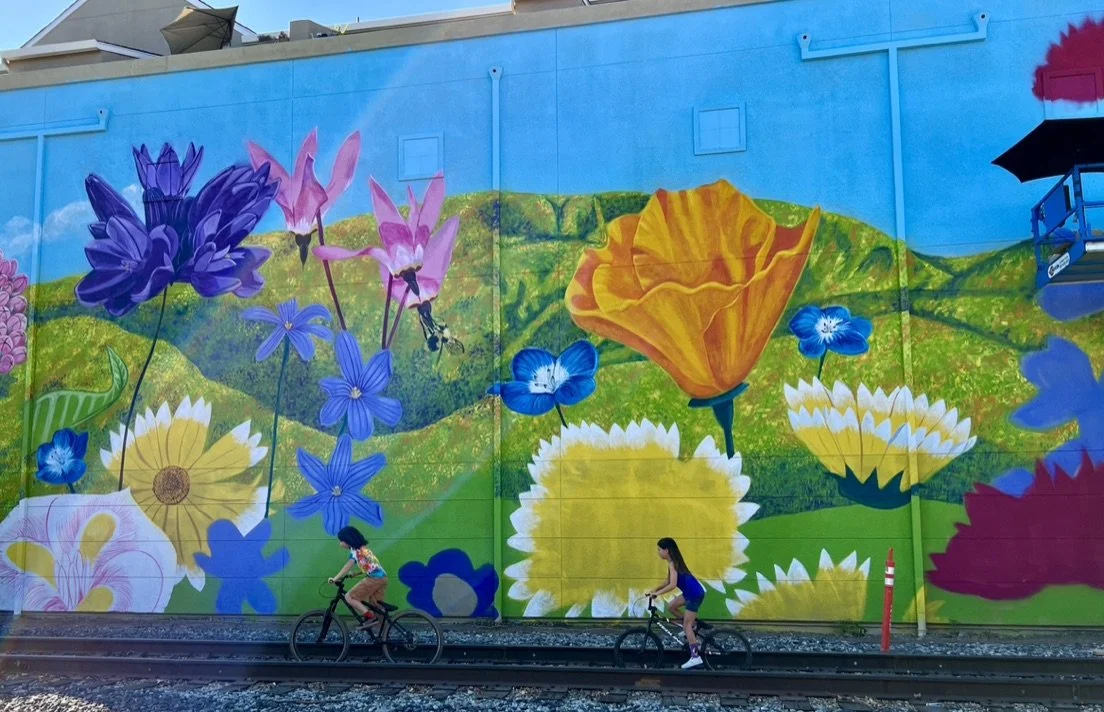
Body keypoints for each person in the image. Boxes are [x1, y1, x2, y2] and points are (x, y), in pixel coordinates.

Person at [647, 537, 707, 669]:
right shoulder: (673, 562)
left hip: (694, 595)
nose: (658, 552)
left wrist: (658, 594)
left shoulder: (673, 563)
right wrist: (655, 589)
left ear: (666, 550)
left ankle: (695, 657)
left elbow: (673, 585)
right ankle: (694, 625)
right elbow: (668, 581)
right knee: (671, 606)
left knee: (686, 626)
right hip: (690, 593)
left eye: (659, 550)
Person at [329, 526, 389, 631]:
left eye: (342, 541)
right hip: (382, 578)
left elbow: (348, 566)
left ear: (349, 540)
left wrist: (335, 578)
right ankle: (385, 638)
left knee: (349, 597)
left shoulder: (357, 552)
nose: (340, 544)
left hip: (374, 579)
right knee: (377, 607)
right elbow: (370, 566)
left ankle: (370, 616)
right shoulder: (362, 549)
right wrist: (355, 574)